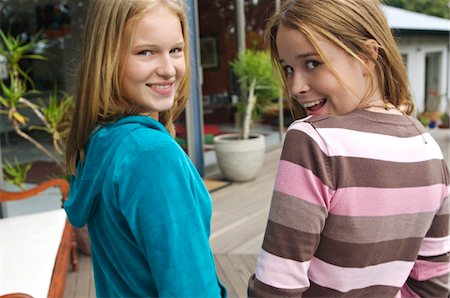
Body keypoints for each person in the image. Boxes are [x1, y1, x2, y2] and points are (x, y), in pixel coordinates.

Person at [248, 0, 450, 297]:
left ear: (368, 55)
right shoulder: (429, 149)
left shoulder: (312, 141)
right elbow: (433, 283)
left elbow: (277, 286)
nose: (295, 86)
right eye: (288, 69)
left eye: (312, 63)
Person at [63, 0, 226, 297]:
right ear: (107, 57)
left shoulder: (102, 140)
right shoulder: (150, 155)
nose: (168, 69)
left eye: (175, 50)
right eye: (145, 52)